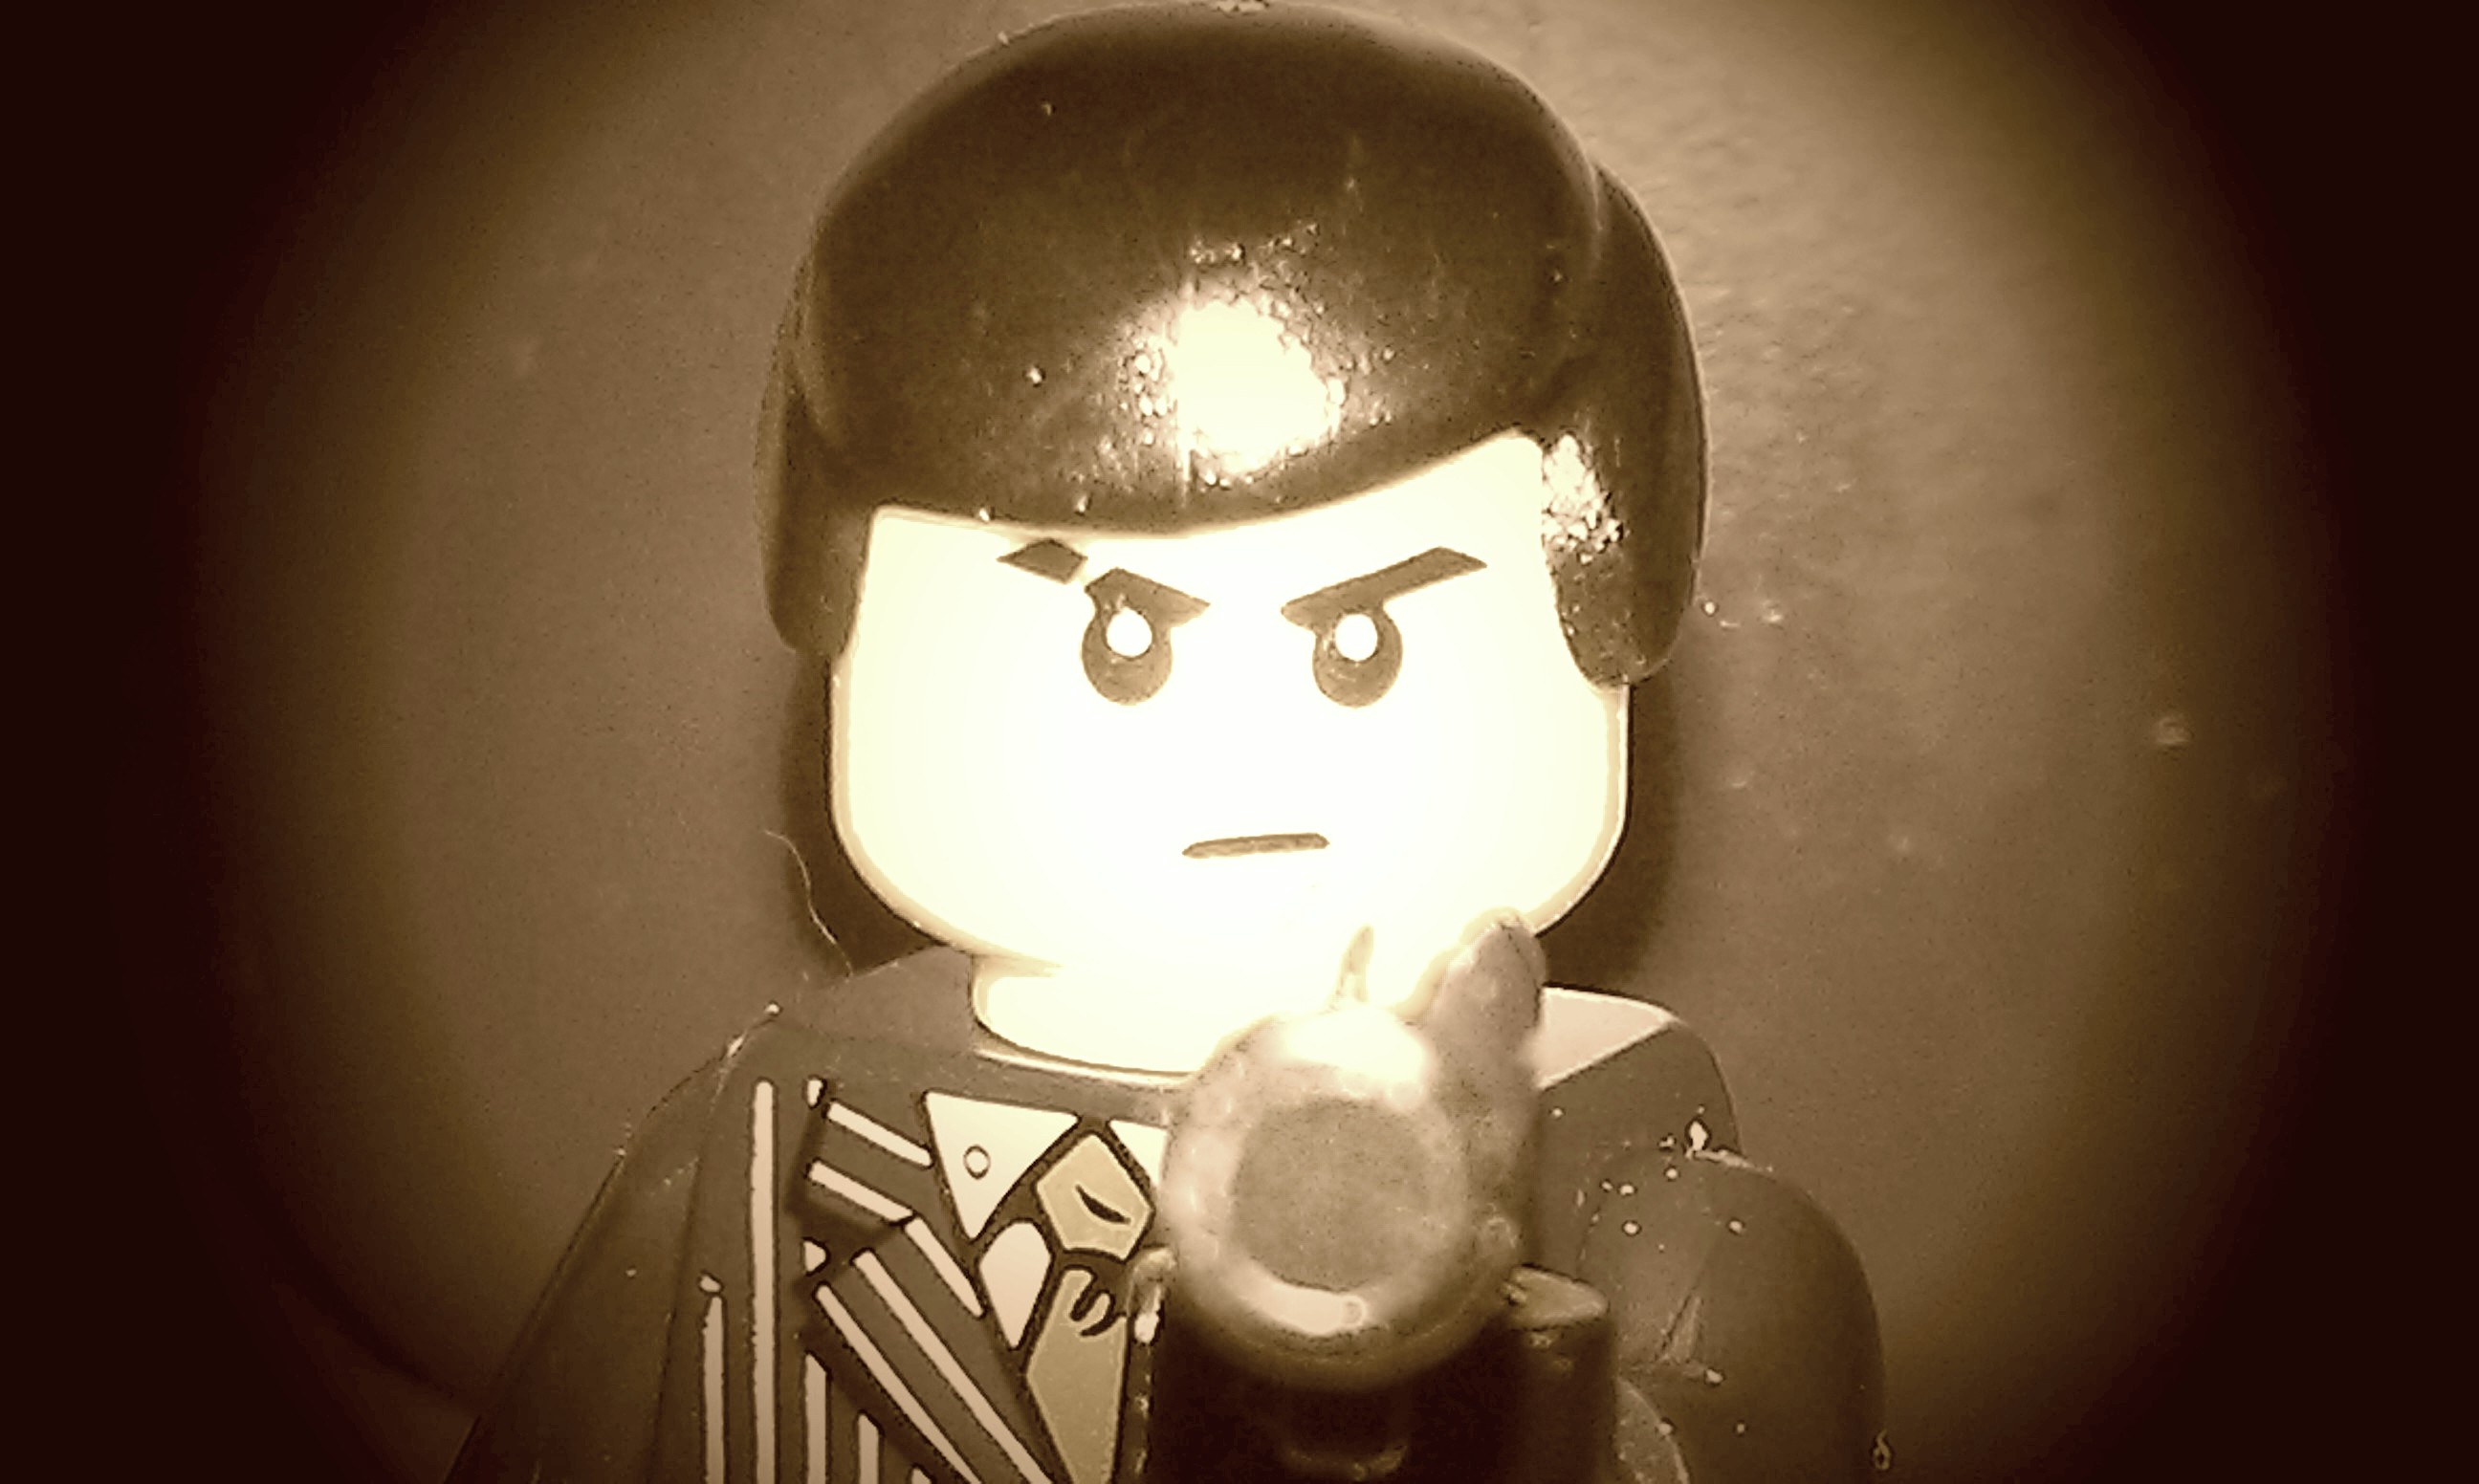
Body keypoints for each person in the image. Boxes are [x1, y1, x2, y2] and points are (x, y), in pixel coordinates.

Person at [450, 7, 1878, 1481]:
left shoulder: (1660, 1226)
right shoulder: (756, 1162)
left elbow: (1738, 1414)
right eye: (1120, 642)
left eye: (1358, 644)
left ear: (1614, 597)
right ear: (838, 594)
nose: (1243, 750)